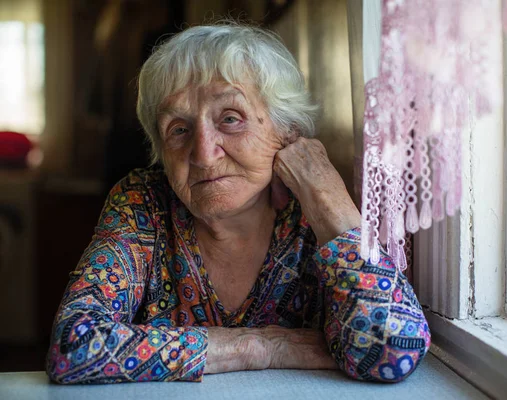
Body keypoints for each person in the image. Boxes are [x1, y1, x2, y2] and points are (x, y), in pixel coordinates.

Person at [45, 23, 430, 384]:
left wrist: (327, 199)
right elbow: (73, 346)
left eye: (230, 119)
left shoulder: (312, 217)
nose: (204, 154)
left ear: (287, 131)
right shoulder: (143, 203)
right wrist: (262, 346)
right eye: (178, 129)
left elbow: (393, 349)